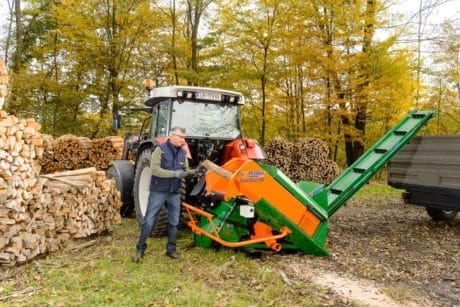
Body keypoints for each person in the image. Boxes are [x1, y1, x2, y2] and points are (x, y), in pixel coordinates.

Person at [132, 127, 197, 262]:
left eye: (184, 137)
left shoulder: (183, 153)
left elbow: (185, 170)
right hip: (159, 191)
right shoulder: (159, 149)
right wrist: (174, 174)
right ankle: (140, 250)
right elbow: (154, 170)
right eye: (181, 137)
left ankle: (171, 250)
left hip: (175, 192)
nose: (183, 140)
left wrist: (195, 172)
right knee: (149, 221)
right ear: (172, 136)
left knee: (174, 223)